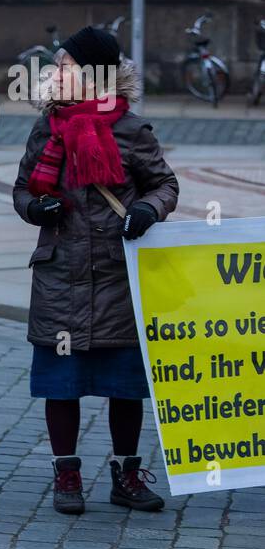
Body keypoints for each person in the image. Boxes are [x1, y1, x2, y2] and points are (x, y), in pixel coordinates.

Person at [12, 26, 177, 516]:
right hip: (60, 274)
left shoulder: (131, 129)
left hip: (117, 278)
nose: (56, 72)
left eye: (65, 65)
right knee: (60, 385)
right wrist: (34, 209)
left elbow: (164, 185)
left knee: (125, 386)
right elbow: (23, 189)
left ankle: (126, 476)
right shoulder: (48, 127)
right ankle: (67, 476)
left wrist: (148, 210)